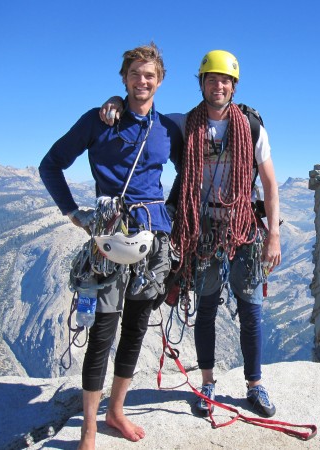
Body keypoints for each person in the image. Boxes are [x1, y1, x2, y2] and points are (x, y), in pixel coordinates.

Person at [100, 50, 281, 418]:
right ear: (201, 84)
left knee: (251, 309)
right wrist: (119, 99)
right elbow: (145, 114)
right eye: (212, 79)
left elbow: (269, 183)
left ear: (234, 86)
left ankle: (254, 384)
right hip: (203, 229)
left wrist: (274, 235)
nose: (219, 86)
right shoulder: (184, 124)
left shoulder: (251, 126)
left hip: (242, 228)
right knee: (208, 308)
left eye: (225, 80)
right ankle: (208, 382)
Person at [39, 43, 182, 449]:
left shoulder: (168, 129)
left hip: (152, 241)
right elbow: (51, 164)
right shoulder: (100, 121)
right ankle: (88, 427)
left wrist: (168, 216)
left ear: (160, 80)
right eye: (135, 74)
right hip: (110, 236)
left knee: (136, 328)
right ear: (124, 79)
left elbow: (188, 172)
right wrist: (72, 213)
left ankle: (115, 411)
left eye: (149, 75)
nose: (142, 81)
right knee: (103, 331)